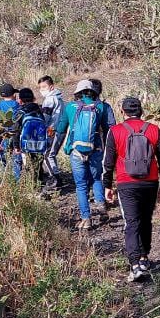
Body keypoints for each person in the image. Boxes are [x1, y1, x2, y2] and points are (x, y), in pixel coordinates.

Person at [103, 97, 160, 282]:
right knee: (146, 219)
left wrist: (107, 185)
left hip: (127, 182)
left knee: (132, 222)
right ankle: (144, 257)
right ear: (141, 111)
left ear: (123, 112)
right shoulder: (154, 130)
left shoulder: (115, 131)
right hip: (150, 182)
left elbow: (108, 163)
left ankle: (135, 265)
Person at [53, 80, 112, 229]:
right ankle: (101, 206)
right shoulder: (101, 107)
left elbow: (60, 129)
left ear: (78, 93)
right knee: (96, 178)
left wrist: (56, 148)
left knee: (80, 185)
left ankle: (86, 219)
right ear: (93, 91)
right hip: (96, 149)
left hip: (76, 150)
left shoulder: (70, 107)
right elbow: (109, 129)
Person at [12, 88, 49, 186]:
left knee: (28, 166)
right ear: (33, 98)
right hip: (40, 143)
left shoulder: (20, 112)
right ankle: (40, 186)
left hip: (26, 144)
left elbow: (16, 130)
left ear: (20, 100)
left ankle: (32, 188)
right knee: (38, 164)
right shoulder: (39, 109)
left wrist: (16, 146)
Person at [38, 76, 66, 192]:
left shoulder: (50, 99)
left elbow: (45, 117)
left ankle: (55, 179)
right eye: (40, 87)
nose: (42, 90)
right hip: (59, 130)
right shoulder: (59, 98)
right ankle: (56, 178)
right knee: (51, 154)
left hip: (52, 130)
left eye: (44, 87)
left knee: (47, 155)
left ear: (51, 86)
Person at [0, 83, 19, 174]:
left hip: (2, 135)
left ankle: (2, 176)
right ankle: (16, 178)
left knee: (2, 155)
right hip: (15, 135)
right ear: (13, 94)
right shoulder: (17, 105)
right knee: (15, 157)